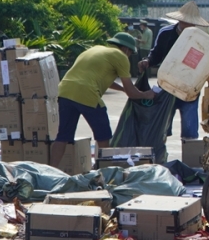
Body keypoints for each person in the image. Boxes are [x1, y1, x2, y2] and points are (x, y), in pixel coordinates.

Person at [50, 33, 155, 167]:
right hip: (86, 93)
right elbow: (132, 93)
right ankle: (105, 170)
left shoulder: (95, 49)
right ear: (126, 49)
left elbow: (104, 79)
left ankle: (51, 170)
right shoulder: (121, 56)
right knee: (103, 135)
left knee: (63, 136)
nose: (129, 56)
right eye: (130, 53)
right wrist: (147, 94)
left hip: (65, 91)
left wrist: (122, 89)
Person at [138, 2, 209, 140]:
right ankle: (160, 155)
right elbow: (156, 54)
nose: (189, 26)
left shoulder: (200, 39)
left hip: (189, 86)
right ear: (180, 21)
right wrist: (148, 61)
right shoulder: (165, 33)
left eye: (192, 24)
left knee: (190, 131)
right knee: (161, 128)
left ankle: (190, 157)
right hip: (167, 85)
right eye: (186, 23)